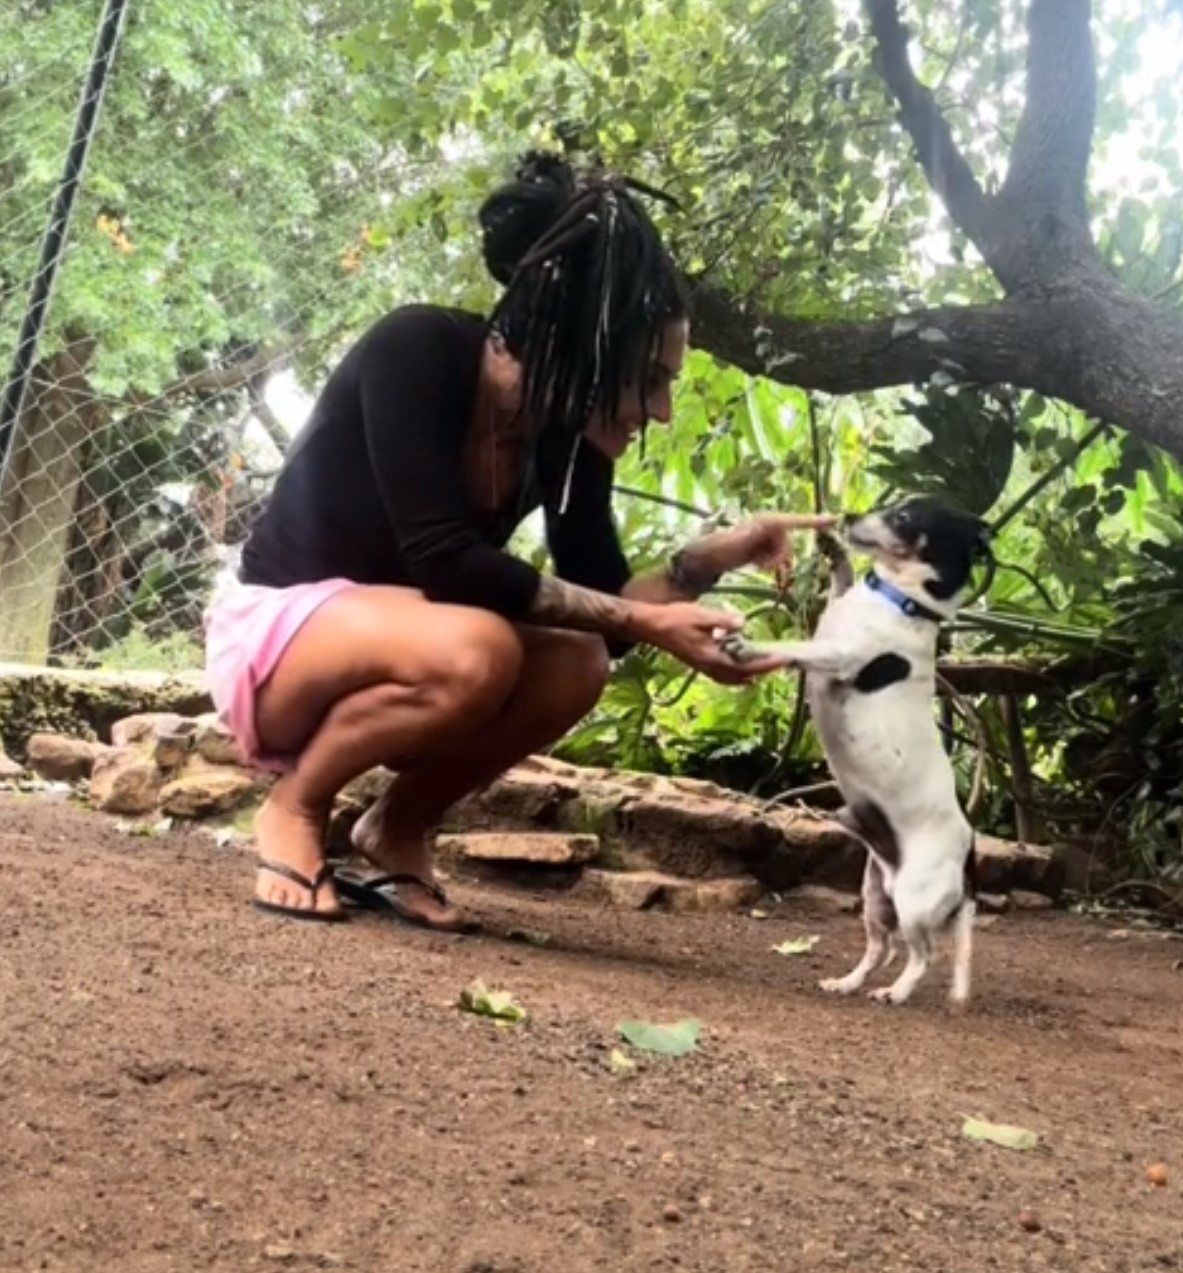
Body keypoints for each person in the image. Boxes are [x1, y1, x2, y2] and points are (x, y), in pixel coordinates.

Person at [203, 151, 832, 931]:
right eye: (649, 376)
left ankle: (397, 826)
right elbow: (445, 561)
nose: (662, 409)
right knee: (480, 648)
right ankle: (295, 808)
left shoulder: (566, 435)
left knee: (576, 660)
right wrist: (643, 620)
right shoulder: (418, 347)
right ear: (579, 345)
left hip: (410, 647)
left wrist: (712, 557)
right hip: (276, 644)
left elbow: (608, 616)